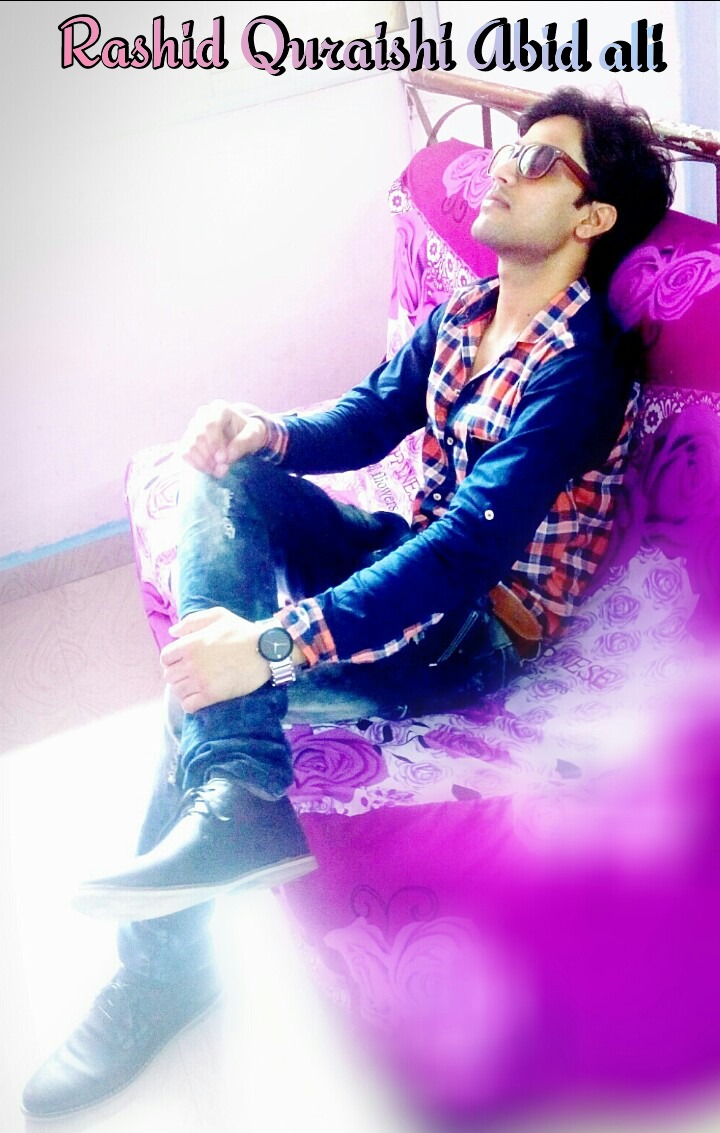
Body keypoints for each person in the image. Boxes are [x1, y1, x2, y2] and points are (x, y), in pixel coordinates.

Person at [22, 87, 674, 1118]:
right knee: (220, 477)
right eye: (510, 149)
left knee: (207, 678)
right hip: (411, 553)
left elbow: (465, 553)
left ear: (592, 219)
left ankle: (160, 969)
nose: (503, 167)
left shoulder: (578, 370)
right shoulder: (470, 313)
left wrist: (272, 645)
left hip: (479, 625)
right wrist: (266, 430)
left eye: (541, 160)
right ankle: (239, 789)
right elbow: (372, 415)